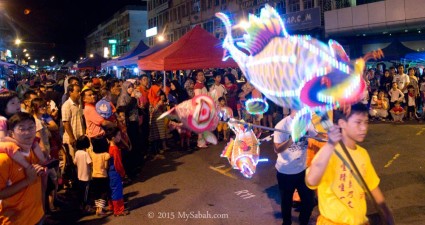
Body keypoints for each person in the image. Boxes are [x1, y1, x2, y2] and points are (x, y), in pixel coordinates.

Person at [306, 103, 395, 225]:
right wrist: (330, 145)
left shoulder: (363, 154)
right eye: (358, 122)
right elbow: (311, 180)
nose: (364, 128)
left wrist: (386, 213)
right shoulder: (328, 153)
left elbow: (373, 187)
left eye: (366, 122)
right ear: (342, 123)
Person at [0, 112, 46, 225]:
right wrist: (28, 180)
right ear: (11, 133)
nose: (28, 132)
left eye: (31, 127)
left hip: (38, 215)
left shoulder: (34, 150)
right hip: (15, 221)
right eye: (22, 129)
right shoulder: (4, 159)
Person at [274, 109, 316, 225]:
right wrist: (293, 138)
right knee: (286, 202)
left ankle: (303, 222)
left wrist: (332, 136)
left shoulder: (307, 122)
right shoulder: (282, 125)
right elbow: (277, 149)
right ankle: (286, 223)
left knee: (309, 202)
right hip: (285, 172)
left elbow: (317, 135)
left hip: (302, 170)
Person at [105, 126, 129, 217]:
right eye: (118, 135)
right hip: (115, 172)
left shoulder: (110, 147)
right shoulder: (115, 149)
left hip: (111, 172)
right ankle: (118, 210)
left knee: (112, 190)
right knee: (117, 191)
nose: (120, 137)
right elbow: (118, 164)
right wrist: (123, 173)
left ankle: (113, 207)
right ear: (113, 137)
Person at [73, 135, 92, 212]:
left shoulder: (77, 153)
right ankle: (86, 207)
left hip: (80, 176)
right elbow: (90, 163)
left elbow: (75, 162)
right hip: (86, 176)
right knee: (86, 193)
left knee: (81, 192)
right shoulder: (85, 154)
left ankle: (81, 206)